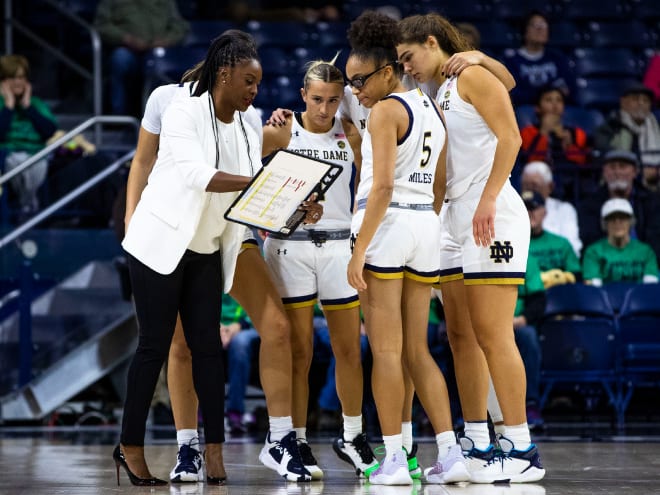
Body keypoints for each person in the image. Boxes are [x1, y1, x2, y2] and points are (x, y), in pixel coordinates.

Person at [117, 31, 320, 485]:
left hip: (210, 243)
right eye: (249, 81)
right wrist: (257, 184)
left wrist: (291, 200)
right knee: (157, 347)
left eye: (259, 82)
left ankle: (213, 450)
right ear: (224, 74)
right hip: (161, 241)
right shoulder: (180, 108)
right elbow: (194, 174)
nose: (256, 90)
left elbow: (253, 188)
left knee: (209, 350)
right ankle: (131, 446)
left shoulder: (250, 123)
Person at [397, 12, 545, 483]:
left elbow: (512, 137)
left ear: (431, 41)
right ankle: (477, 441)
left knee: (492, 332)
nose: (406, 66)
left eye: (409, 56)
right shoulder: (438, 90)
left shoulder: (472, 75)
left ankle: (521, 446)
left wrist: (483, 201)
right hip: (456, 216)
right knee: (458, 334)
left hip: (492, 211)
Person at [346, 10, 469, 486]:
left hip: (387, 226)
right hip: (424, 227)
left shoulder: (384, 111)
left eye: (360, 81)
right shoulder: (433, 108)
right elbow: (440, 181)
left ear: (385, 71)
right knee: (419, 350)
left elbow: (378, 189)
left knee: (387, 352)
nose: (356, 90)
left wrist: (359, 253)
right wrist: (424, 223)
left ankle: (395, 459)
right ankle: (450, 452)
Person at [261, 56, 379, 480]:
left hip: (337, 248)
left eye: (332, 100)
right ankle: (295, 439)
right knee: (299, 352)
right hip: (288, 248)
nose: (325, 109)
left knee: (350, 349)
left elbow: (369, 191)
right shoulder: (278, 130)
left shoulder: (349, 133)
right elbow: (257, 194)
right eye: (316, 100)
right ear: (301, 96)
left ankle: (352, 434)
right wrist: (293, 209)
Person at [94, 0, 190, 116]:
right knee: (120, 59)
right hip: (128, 49)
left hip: (158, 51)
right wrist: (126, 39)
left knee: (170, 64)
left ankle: (163, 118)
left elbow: (180, 26)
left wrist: (166, 40)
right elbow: (102, 25)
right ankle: (118, 116)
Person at [577, 149, 660, 262]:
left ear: (635, 172)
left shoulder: (652, 202)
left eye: (622, 166)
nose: (617, 172)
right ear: (604, 173)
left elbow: (655, 239)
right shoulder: (590, 205)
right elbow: (590, 240)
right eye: (612, 167)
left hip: (646, 263)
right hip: (605, 264)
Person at [0, 54, 57, 215]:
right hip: (7, 156)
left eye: (22, 77)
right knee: (15, 161)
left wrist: (27, 106)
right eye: (12, 77)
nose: (18, 82)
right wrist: (9, 106)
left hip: (37, 155)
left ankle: (27, 204)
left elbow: (49, 131)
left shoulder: (36, 104)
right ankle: (27, 204)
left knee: (35, 162)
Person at [502, 10, 576, 106]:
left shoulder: (557, 58)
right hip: (526, 111)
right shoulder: (512, 61)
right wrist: (542, 95)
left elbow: (570, 89)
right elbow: (514, 94)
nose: (540, 29)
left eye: (544, 25)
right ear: (524, 31)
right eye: (535, 25)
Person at [582, 198, 659, 287]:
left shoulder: (646, 252)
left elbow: (650, 288)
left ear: (631, 221)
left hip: (639, 300)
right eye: (612, 218)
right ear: (604, 224)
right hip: (604, 300)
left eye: (622, 217)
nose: (617, 222)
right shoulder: (593, 252)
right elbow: (594, 290)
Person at [520, 160, 582, 257]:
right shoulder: (514, 209)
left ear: (550, 187)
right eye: (525, 185)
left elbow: (573, 248)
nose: (529, 190)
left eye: (534, 186)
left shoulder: (564, 209)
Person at [513, 253, 546, 430]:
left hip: (516, 321)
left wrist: (522, 319)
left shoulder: (527, 259)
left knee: (528, 337)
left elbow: (538, 299)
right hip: (484, 321)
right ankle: (463, 411)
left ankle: (530, 404)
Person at [594, 81, 660, 169]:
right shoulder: (610, 126)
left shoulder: (657, 128)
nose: (641, 103)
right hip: (619, 179)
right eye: (635, 99)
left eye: (645, 100)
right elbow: (605, 157)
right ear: (623, 102)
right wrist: (641, 173)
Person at [520, 85, 590, 166]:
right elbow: (529, 163)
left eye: (559, 100)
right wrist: (544, 132)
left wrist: (569, 146)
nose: (555, 104)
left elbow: (583, 166)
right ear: (537, 108)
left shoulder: (577, 133)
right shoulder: (527, 132)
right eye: (548, 100)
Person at [220, 293, 260, 435]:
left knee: (240, 343)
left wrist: (239, 325)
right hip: (215, 325)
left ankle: (235, 411)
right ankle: (203, 411)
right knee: (204, 340)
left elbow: (259, 303)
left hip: (248, 325)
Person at [523, 190, 581, 287]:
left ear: (544, 212)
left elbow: (577, 275)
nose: (529, 213)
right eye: (525, 208)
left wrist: (565, 277)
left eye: (533, 208)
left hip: (561, 295)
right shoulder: (512, 245)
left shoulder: (561, 243)